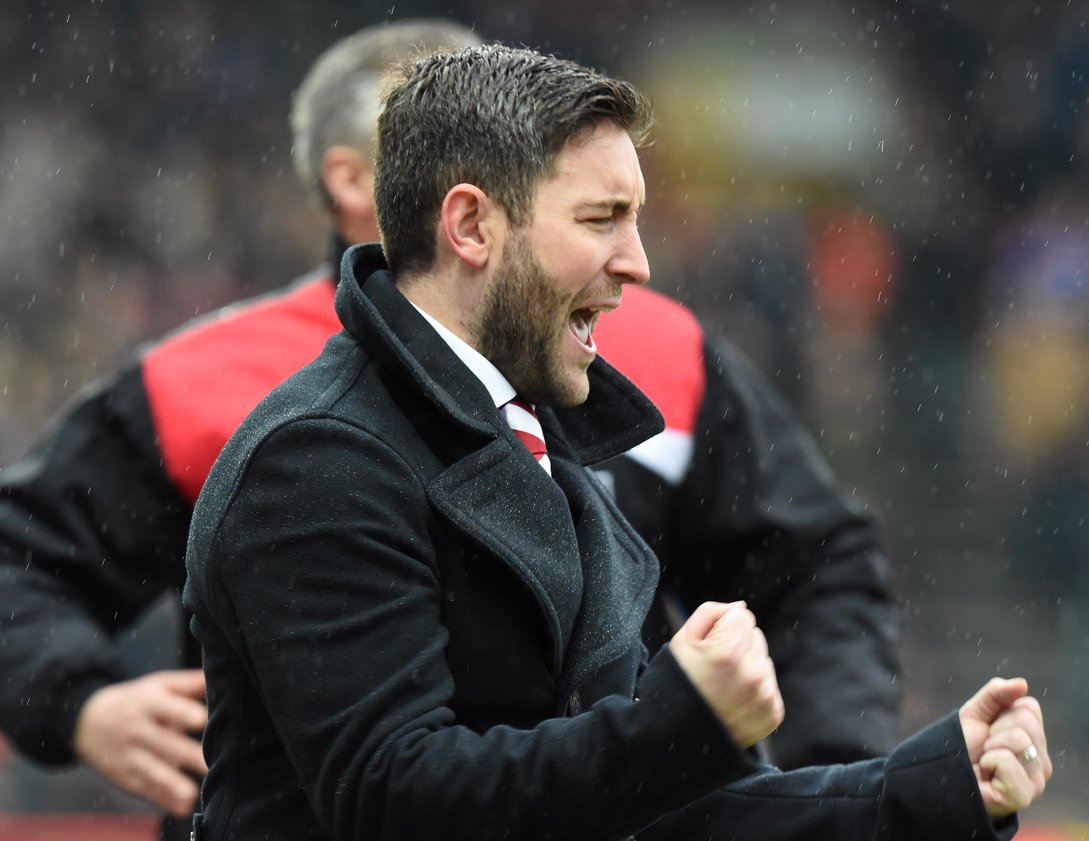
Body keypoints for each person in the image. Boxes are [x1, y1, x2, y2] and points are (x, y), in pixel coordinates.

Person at [0, 18, 902, 832]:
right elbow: (20, 557)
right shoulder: (217, 383)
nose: (628, 260)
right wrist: (77, 700)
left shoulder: (645, 353)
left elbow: (818, 570)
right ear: (365, 180)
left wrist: (843, 784)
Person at [182, 42, 1050, 840]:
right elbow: (397, 802)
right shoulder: (318, 462)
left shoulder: (541, 448)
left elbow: (650, 812)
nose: (638, 262)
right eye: (602, 219)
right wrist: (676, 723)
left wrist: (929, 789)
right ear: (472, 226)